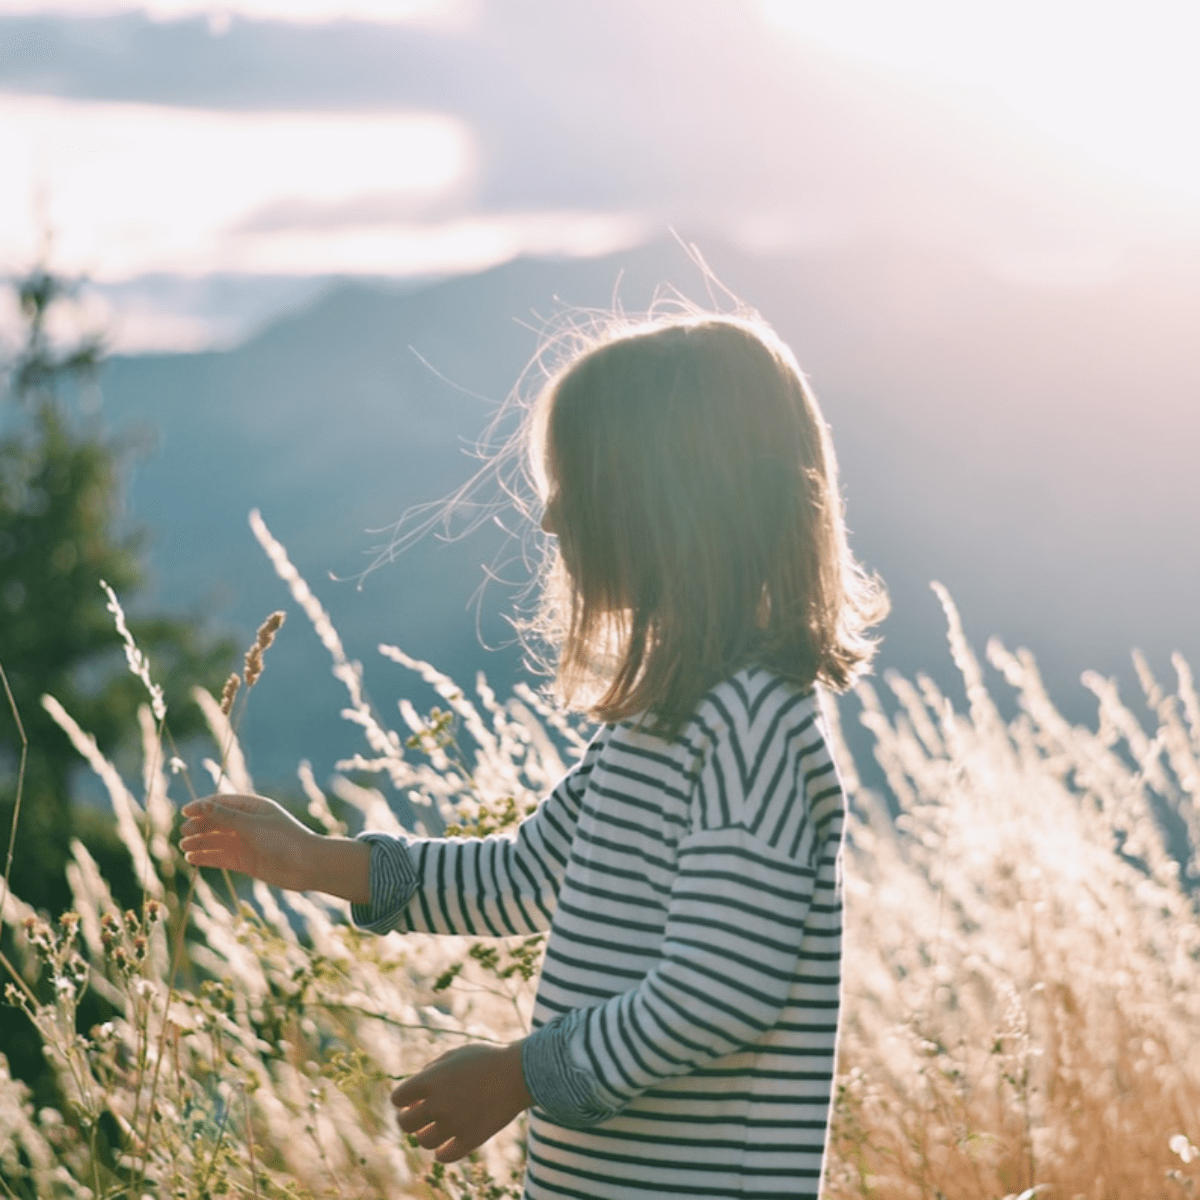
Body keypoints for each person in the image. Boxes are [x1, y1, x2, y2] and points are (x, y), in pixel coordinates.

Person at [180, 309, 887, 1199]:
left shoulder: (752, 727)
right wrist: (317, 861)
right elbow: (527, 873)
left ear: (670, 503)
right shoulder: (658, 721)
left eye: (575, 486)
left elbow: (719, 993)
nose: (551, 518)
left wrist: (518, 1074)